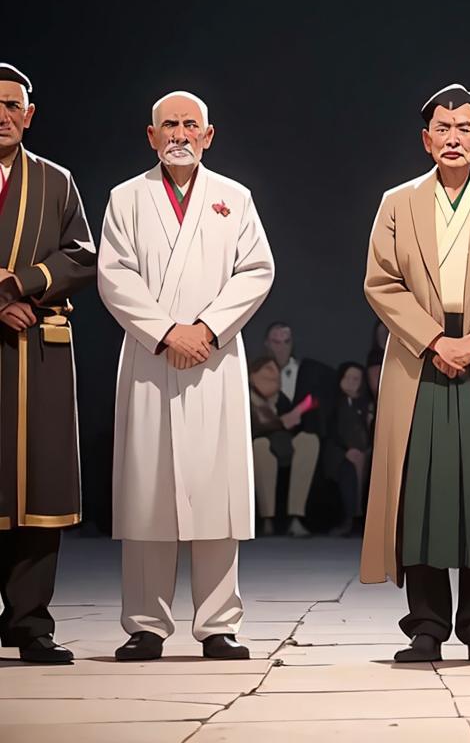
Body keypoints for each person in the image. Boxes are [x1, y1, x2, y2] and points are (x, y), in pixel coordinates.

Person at [358, 84, 470, 663]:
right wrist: (436, 339)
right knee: (421, 492)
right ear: (426, 139)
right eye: (443, 128)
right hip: (421, 356)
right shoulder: (398, 202)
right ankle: (427, 624)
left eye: (465, 129)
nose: (454, 138)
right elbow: (381, 281)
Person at [98, 90, 274, 661]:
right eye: (168, 125)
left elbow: (257, 270)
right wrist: (167, 331)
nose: (179, 133)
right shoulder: (126, 198)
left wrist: (208, 328)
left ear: (208, 134)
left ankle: (219, 623)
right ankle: (146, 623)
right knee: (148, 488)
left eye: (189, 125)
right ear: (151, 136)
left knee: (217, 489)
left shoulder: (234, 197)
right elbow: (113, 275)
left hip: (214, 358)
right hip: (151, 357)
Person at [0, 63, 97, 664]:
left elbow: (83, 255)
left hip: (37, 348)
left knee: (39, 486)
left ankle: (31, 622)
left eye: (13, 105)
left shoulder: (56, 181)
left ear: (29, 115)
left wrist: (25, 287)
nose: (3, 115)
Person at [248, 357, 320, 537]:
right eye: (267, 369)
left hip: (284, 444)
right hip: (259, 444)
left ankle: (296, 515)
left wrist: (294, 417)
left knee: (308, 441)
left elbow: (297, 426)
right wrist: (280, 422)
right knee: (261, 446)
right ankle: (267, 518)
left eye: (275, 371)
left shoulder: (282, 400)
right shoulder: (247, 399)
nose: (274, 375)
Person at [325, 362, 373, 536]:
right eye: (348, 377)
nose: (352, 382)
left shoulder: (366, 404)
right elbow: (329, 432)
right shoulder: (333, 403)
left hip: (365, 452)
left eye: (356, 379)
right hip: (339, 452)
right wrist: (346, 450)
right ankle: (350, 518)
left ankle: (360, 517)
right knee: (348, 469)